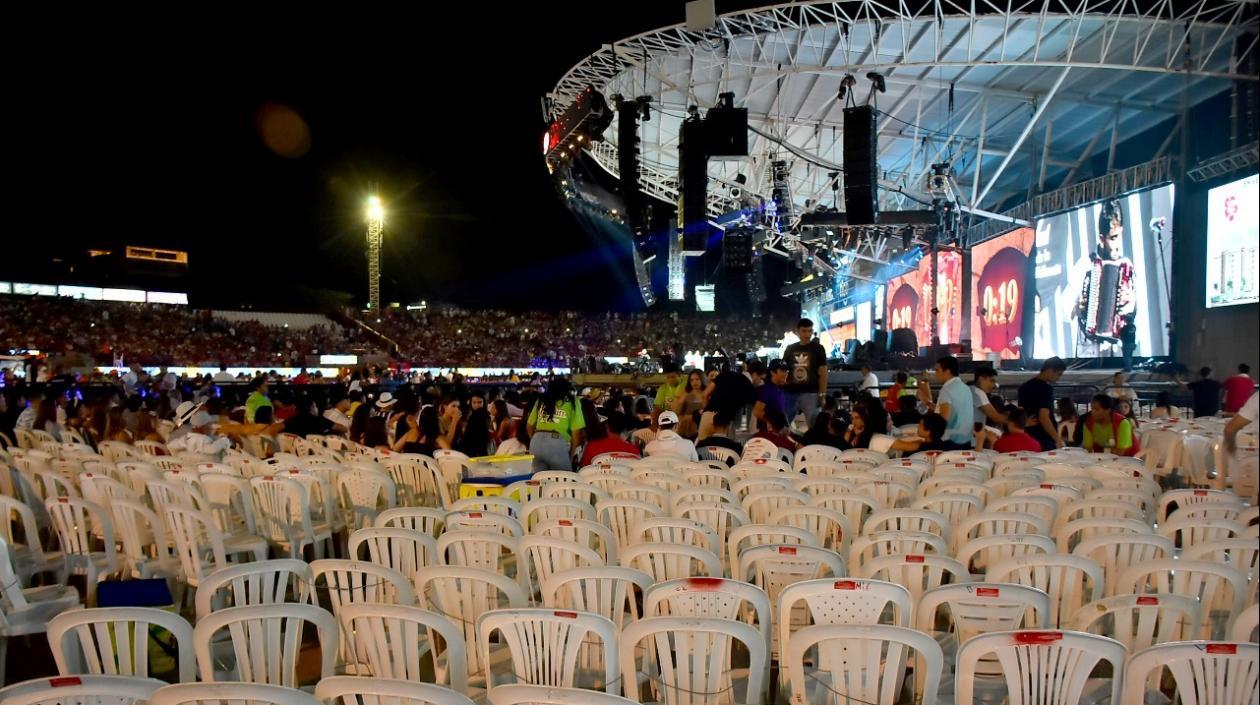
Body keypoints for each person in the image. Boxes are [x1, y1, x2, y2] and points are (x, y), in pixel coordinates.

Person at [1075, 199, 1137, 364]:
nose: (1118, 245)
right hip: (1090, 346)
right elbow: (1064, 309)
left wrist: (1131, 304)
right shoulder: (1086, 264)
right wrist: (1078, 306)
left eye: (1119, 236)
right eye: (1113, 238)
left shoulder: (1126, 266)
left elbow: (1133, 307)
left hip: (1118, 341)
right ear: (1102, 238)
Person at [527, 378, 585, 471]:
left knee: (540, 481)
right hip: (556, 442)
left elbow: (529, 425)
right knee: (563, 480)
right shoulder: (572, 402)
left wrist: (536, 439)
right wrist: (570, 455)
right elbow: (576, 432)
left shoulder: (541, 400)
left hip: (536, 443)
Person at [781, 318, 828, 426]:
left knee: (813, 425)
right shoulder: (790, 349)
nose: (807, 334)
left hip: (810, 392)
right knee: (784, 424)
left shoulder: (818, 349)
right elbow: (783, 368)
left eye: (809, 331)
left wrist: (822, 393)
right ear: (798, 331)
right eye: (804, 331)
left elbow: (823, 372)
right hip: (791, 392)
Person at [1019, 357, 1067, 450]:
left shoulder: (1024, 387)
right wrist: (1057, 439)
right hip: (1044, 437)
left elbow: (1020, 413)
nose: (1058, 378)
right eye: (1058, 374)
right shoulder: (1046, 389)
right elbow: (1044, 417)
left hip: (1028, 436)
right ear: (1050, 370)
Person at [929, 356, 974, 449]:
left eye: (937, 370)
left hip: (951, 442)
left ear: (947, 371)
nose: (935, 374)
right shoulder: (965, 388)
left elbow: (943, 418)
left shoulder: (946, 390)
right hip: (967, 439)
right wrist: (927, 402)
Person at [167, 400, 233, 457]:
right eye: (198, 411)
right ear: (195, 414)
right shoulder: (196, 431)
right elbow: (225, 419)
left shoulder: (177, 433)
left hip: (181, 464)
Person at [971, 366, 1006, 435]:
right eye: (991, 381)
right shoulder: (977, 393)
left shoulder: (971, 389)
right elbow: (996, 417)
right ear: (981, 379)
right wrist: (1021, 422)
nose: (994, 385)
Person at [672, 370, 707, 440]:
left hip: (703, 430)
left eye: (697, 379)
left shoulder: (707, 393)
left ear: (702, 379)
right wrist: (682, 399)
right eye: (692, 380)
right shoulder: (685, 393)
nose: (694, 382)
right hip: (686, 430)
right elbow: (676, 412)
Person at [753, 360, 788, 425]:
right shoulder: (765, 389)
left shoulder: (781, 388)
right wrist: (775, 424)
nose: (785, 374)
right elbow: (757, 412)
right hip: (767, 433)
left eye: (786, 371)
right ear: (772, 372)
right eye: (782, 371)